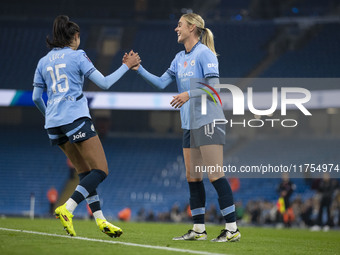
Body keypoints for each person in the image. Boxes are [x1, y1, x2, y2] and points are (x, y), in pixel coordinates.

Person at [129, 13, 240, 242]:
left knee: (215, 174)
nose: (175, 29)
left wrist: (188, 94)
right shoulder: (179, 58)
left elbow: (214, 87)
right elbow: (161, 83)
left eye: (179, 25)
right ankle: (198, 230)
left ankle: (232, 229)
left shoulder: (205, 53)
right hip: (190, 124)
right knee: (193, 177)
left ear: (191, 27)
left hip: (209, 120)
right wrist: (139, 69)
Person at [32, 15, 140, 237]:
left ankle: (100, 221)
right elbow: (105, 83)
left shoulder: (43, 61)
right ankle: (68, 208)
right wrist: (126, 66)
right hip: (75, 117)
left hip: (53, 125)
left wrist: (50, 116)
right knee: (101, 170)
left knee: (85, 173)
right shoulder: (77, 55)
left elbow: (35, 97)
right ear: (75, 37)